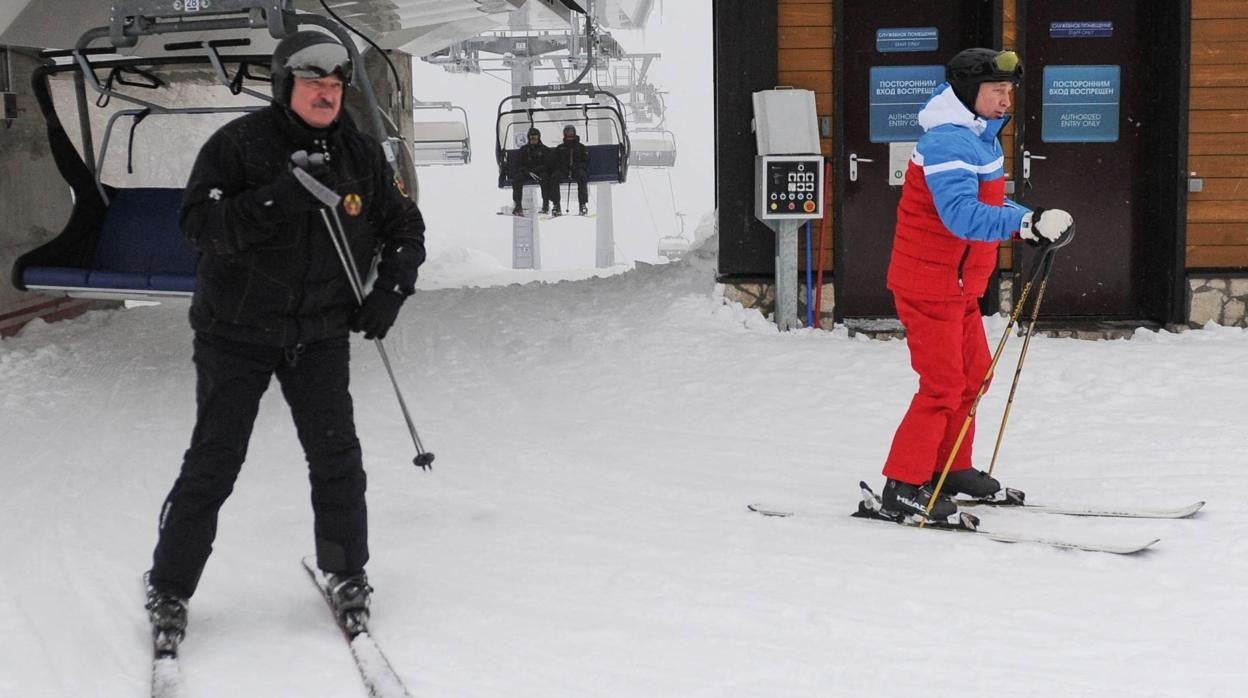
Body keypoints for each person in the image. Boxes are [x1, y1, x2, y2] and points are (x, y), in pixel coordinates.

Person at [143, 30, 427, 645]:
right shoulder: (238, 147)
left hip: (319, 333)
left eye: (334, 85)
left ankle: (347, 572)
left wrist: (390, 291)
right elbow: (199, 227)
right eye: (312, 84)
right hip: (235, 332)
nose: (326, 95)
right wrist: (277, 199)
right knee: (216, 461)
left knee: (336, 458)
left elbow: (404, 226)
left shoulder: (359, 154)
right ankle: (169, 585)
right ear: (284, 87)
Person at [878, 48, 1073, 521]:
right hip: (928, 283)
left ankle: (951, 467)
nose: (1006, 100)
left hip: (960, 284)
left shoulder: (982, 139)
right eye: (996, 91)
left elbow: (990, 203)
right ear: (969, 93)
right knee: (943, 384)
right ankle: (903, 483)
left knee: (973, 376)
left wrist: (1032, 218)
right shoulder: (948, 142)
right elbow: (961, 216)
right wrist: (1023, 228)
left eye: (1009, 91)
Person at [511, 126, 554, 216]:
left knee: (545, 178)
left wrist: (537, 170)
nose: (533, 139)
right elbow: (519, 163)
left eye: (535, 137)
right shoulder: (524, 150)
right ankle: (518, 206)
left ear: (538, 137)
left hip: (539, 172)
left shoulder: (544, 149)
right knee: (517, 179)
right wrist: (525, 170)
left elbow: (547, 163)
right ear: (528, 138)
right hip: (527, 172)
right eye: (531, 137)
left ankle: (545, 205)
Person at [550, 123, 590, 216]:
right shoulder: (560, 148)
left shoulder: (580, 147)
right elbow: (555, 161)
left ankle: (582, 204)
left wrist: (577, 166)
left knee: (582, 177)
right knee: (554, 178)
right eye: (567, 132)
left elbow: (585, 161)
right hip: (563, 170)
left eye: (571, 131)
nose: (569, 134)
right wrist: (562, 166)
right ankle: (556, 205)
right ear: (564, 133)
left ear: (574, 133)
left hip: (576, 169)